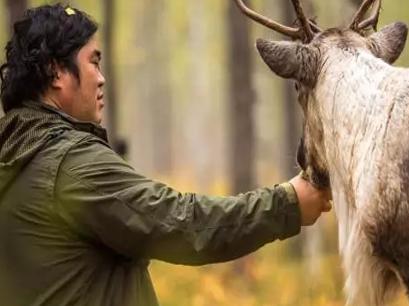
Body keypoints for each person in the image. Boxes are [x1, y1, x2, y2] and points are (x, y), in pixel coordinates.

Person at [0, 4, 332, 306]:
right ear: (56, 72)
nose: (101, 79)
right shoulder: (70, 165)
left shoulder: (19, 156)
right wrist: (287, 204)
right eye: (94, 62)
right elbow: (182, 223)